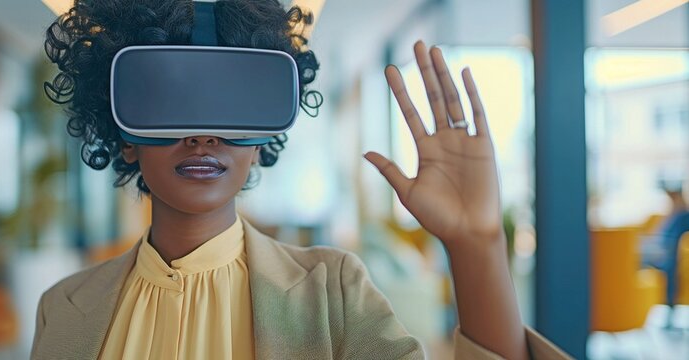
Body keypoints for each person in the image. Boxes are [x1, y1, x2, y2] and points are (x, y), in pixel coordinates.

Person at [30, 0, 569, 358]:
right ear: (123, 129)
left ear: (263, 134)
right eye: (169, 99)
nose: (202, 136)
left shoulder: (334, 293)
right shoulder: (64, 307)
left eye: (234, 104)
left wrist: (477, 245)